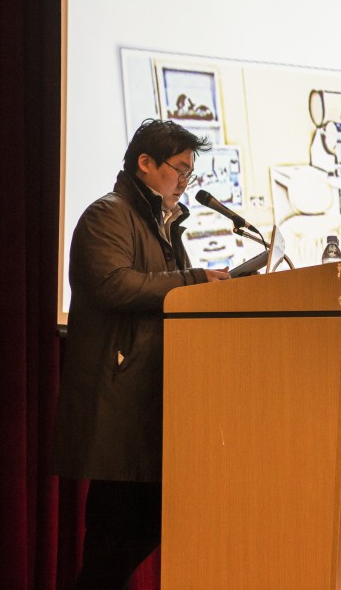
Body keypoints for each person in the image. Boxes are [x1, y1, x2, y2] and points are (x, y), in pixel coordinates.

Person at [53, 119, 231, 588]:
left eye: (190, 173)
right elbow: (113, 284)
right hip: (120, 404)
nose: (185, 181)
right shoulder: (108, 214)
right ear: (145, 163)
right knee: (111, 544)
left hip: (151, 404)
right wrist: (194, 281)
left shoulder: (165, 225)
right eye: (180, 169)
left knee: (130, 538)